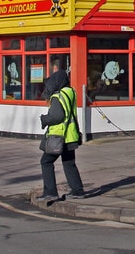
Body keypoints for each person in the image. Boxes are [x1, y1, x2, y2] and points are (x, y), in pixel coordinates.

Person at [39, 61, 85, 200]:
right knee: (68, 162)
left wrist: (45, 119)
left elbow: (57, 116)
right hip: (71, 135)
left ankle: (50, 192)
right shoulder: (70, 92)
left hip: (59, 135)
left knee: (46, 162)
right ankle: (77, 191)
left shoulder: (58, 96)